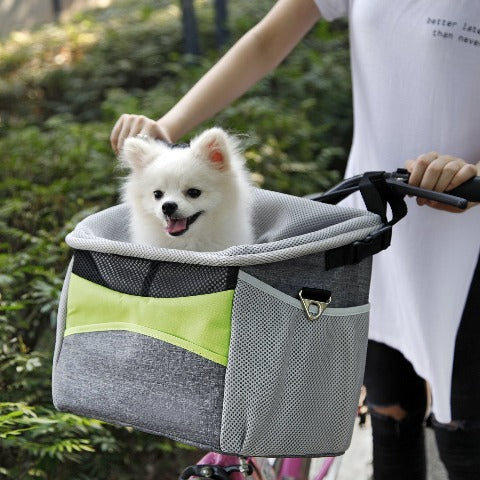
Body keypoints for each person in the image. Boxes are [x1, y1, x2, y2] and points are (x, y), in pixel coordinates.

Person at [110, 1, 480, 478]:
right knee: (391, 421)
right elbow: (266, 42)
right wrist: (166, 129)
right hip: (370, 227)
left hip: (467, 237)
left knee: (466, 442)